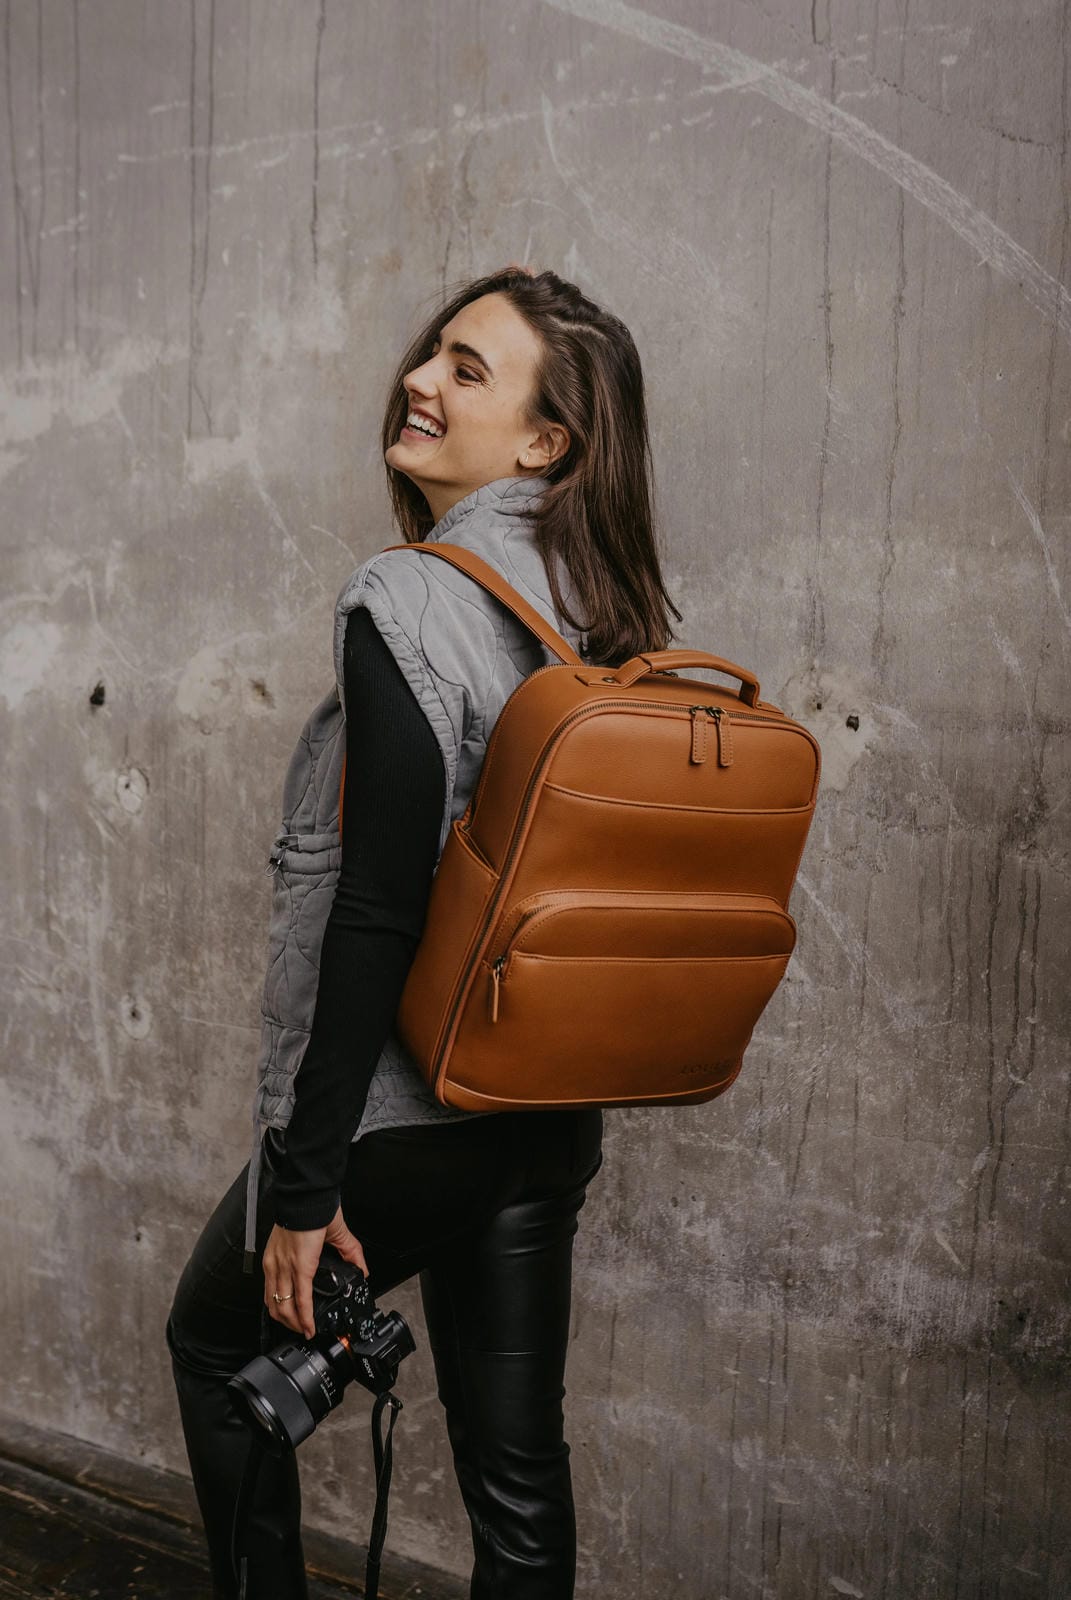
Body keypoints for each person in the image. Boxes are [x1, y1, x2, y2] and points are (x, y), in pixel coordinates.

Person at [165, 266, 683, 1600]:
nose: (420, 380)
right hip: (547, 1115)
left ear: (542, 442)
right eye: (430, 354)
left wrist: (305, 1177)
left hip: (406, 1125)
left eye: (468, 369)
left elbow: (380, 903)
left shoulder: (411, 597)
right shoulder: (602, 613)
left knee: (221, 1354)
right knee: (518, 1484)